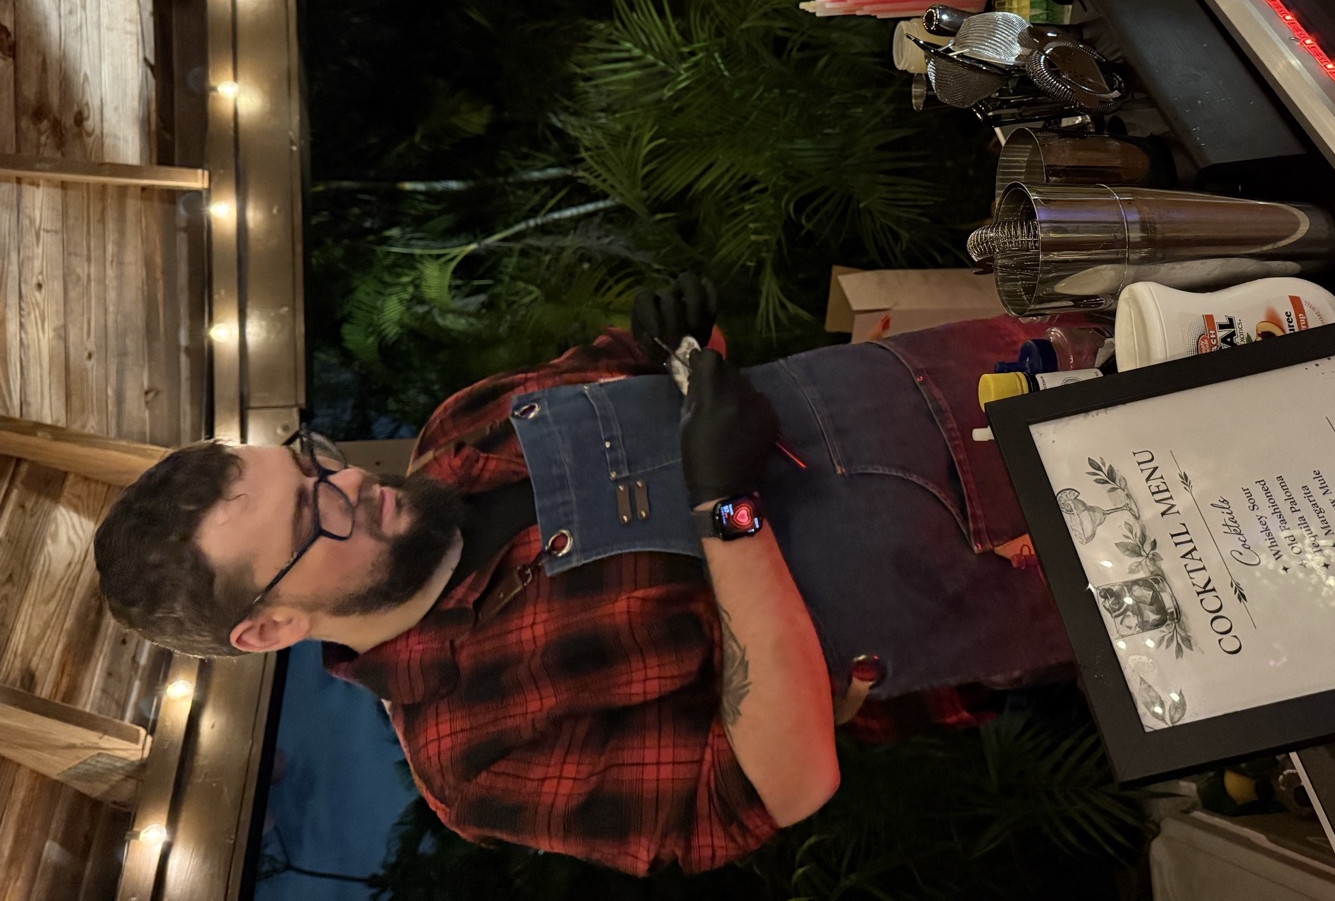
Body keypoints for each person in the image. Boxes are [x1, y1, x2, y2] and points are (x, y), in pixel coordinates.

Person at [94, 276, 1100, 875]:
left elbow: (674, 379)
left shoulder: (464, 430)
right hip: (1061, 560)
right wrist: (727, 514)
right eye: (318, 515)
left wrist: (678, 335)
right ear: (267, 629)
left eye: (312, 461)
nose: (354, 481)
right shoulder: (473, 758)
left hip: (1007, 368)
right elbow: (781, 784)